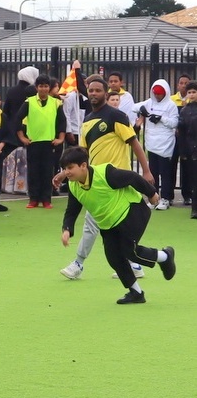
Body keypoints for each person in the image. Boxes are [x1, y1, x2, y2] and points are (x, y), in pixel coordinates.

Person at [57, 77, 154, 281]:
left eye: (97, 90)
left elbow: (134, 143)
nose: (93, 93)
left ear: (105, 92)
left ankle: (79, 264)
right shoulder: (87, 120)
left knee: (93, 223)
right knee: (99, 224)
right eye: (90, 90)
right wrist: (64, 172)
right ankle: (133, 263)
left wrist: (146, 171)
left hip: (115, 179)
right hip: (95, 181)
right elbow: (81, 153)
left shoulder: (116, 116)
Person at [60, 146, 175, 304]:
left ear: (83, 166)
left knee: (129, 251)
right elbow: (72, 211)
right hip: (109, 223)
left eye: (70, 167)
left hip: (132, 211)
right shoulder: (74, 186)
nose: (66, 172)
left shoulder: (105, 174)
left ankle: (165, 257)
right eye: (64, 168)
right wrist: (67, 229)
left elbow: (133, 178)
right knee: (113, 257)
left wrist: (152, 193)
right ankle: (136, 293)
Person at [16, 74, 66, 209]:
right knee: (33, 171)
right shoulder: (29, 102)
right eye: (40, 86)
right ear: (36, 87)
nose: (43, 89)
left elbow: (62, 122)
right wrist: (22, 137)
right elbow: (17, 119)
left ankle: (46, 199)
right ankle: (33, 199)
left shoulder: (56, 102)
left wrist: (60, 138)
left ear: (49, 88)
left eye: (46, 86)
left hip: (49, 143)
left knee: (47, 171)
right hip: (33, 142)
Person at [132, 80, 178, 210]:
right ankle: (154, 197)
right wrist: (142, 110)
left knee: (165, 173)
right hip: (151, 143)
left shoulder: (171, 105)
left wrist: (161, 118)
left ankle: (166, 198)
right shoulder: (149, 102)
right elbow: (133, 107)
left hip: (165, 143)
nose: (157, 96)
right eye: (155, 94)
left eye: (160, 94)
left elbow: (174, 123)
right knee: (153, 172)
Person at [171, 74, 192, 205]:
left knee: (187, 167)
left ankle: (187, 195)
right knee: (171, 166)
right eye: (181, 83)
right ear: (177, 85)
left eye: (186, 83)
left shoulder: (193, 100)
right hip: (173, 138)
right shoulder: (171, 99)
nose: (183, 85)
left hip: (187, 139)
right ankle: (169, 195)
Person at [177, 81, 197, 218]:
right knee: (193, 181)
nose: (191, 94)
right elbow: (182, 133)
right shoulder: (184, 110)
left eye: (194, 92)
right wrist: (183, 152)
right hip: (190, 149)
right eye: (189, 92)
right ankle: (194, 209)